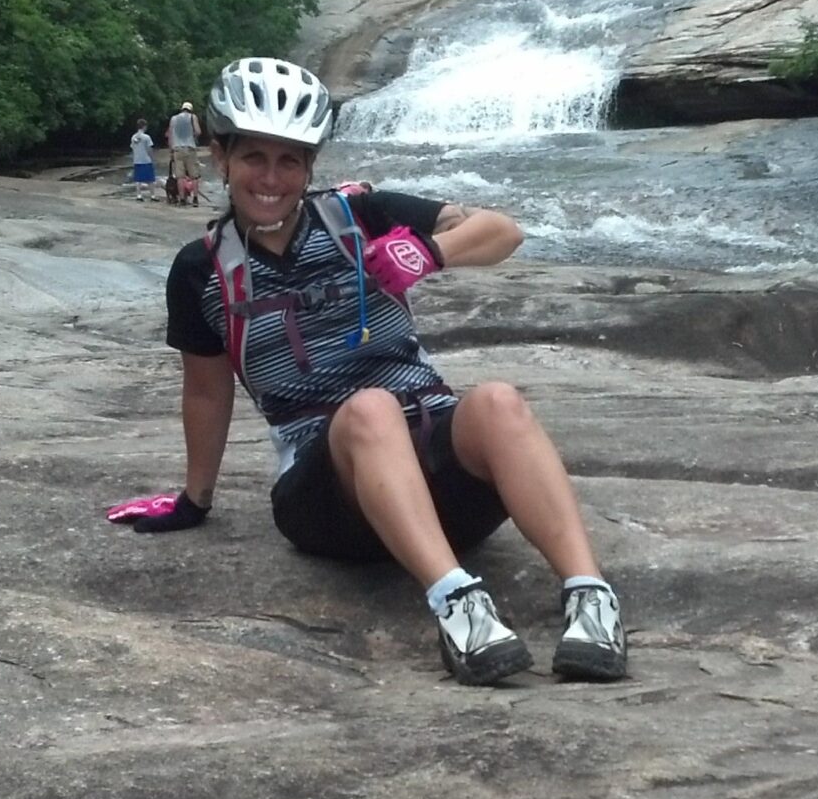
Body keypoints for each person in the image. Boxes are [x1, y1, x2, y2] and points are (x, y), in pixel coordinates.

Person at [124, 56, 627, 687]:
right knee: (369, 409)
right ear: (221, 158)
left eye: (291, 160)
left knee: (498, 400)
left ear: (310, 165)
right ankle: (460, 607)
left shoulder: (361, 216)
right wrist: (194, 501)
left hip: (436, 469)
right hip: (328, 499)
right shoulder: (199, 270)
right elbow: (205, 389)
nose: (272, 178)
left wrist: (430, 251)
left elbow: (503, 232)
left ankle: (591, 600)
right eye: (254, 158)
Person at [165, 101, 203, 206]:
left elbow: (170, 136)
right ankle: (195, 199)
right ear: (190, 109)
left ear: (182, 108)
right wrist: (193, 135)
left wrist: (171, 151)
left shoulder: (173, 118)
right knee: (194, 175)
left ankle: (182, 199)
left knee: (180, 176)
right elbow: (198, 132)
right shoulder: (192, 117)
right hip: (190, 148)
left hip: (177, 149)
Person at [128, 118, 158, 201]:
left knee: (138, 179)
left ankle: (139, 195)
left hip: (137, 160)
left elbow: (132, 148)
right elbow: (149, 149)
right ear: (144, 126)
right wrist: (153, 158)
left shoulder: (133, 137)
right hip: (146, 160)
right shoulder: (146, 137)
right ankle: (152, 195)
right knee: (150, 179)